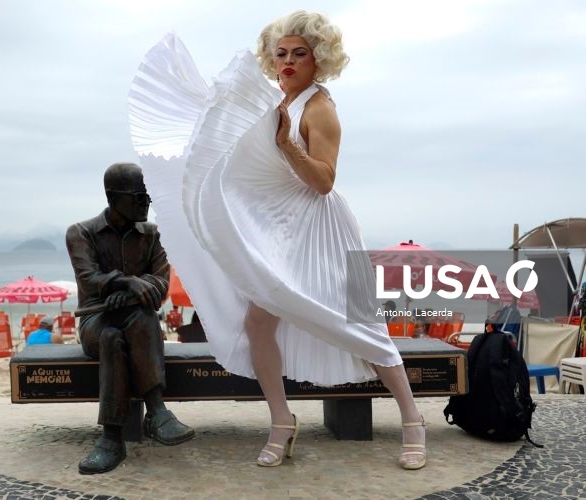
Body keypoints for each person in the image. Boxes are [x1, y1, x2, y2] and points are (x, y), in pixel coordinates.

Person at [129, 11, 426, 470]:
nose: (287, 61)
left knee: (364, 326)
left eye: (299, 54)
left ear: (318, 59)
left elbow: (324, 182)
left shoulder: (320, 108)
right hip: (281, 228)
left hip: (323, 229)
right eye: (281, 53)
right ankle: (282, 421)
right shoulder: (274, 102)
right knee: (258, 323)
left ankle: (412, 421)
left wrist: (288, 145)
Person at [66, 162, 195, 475]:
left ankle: (114, 436)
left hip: (136, 323)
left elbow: (161, 284)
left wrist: (130, 292)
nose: (146, 204)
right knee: (112, 332)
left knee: (134, 319)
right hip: (96, 323)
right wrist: (128, 281)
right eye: (138, 197)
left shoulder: (153, 235)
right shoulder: (81, 233)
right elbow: (88, 279)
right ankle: (154, 414)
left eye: (148, 197)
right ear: (113, 198)